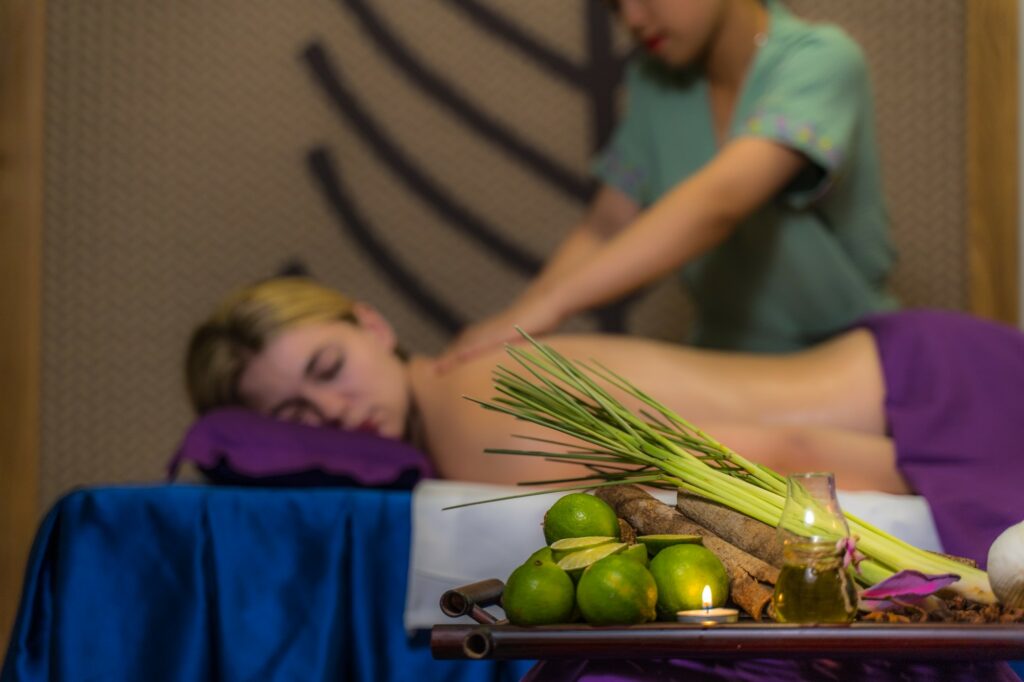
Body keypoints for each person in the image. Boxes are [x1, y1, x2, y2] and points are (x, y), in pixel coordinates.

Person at [186, 277, 1024, 567]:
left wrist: (974, 492)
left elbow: (767, 457)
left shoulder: (471, 414)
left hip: (933, 403)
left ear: (370, 324)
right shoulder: (461, 408)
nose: (335, 413)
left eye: (327, 370)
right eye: (297, 416)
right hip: (912, 378)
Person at [440, 0, 897, 366]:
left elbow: (719, 203)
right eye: (615, 4)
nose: (633, 19)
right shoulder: (655, 83)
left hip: (844, 357)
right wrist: (517, 324)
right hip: (719, 360)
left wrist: (552, 305)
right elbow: (604, 228)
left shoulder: (821, 61)